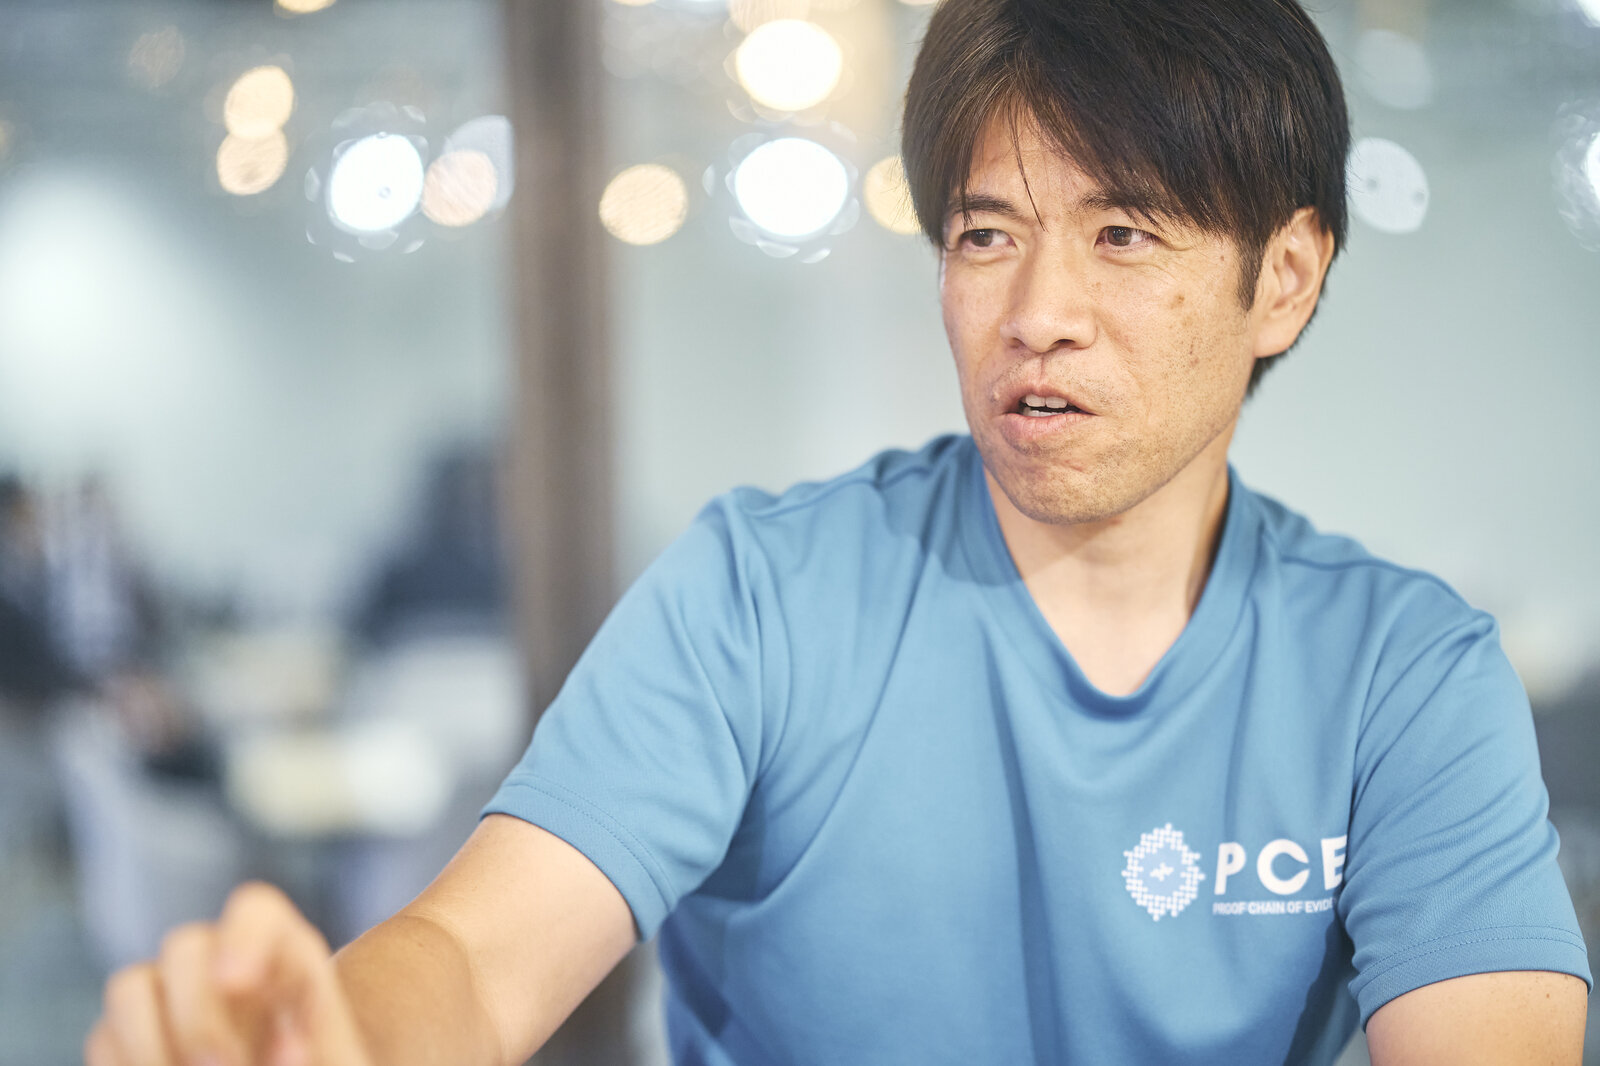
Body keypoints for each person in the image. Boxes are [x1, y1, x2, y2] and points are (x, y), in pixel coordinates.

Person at [85, 0, 1592, 1063]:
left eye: (1124, 232)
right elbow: (475, 959)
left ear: (1286, 278)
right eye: (986, 233)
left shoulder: (1404, 676)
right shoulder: (762, 596)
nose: (1038, 313)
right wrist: (325, 1038)